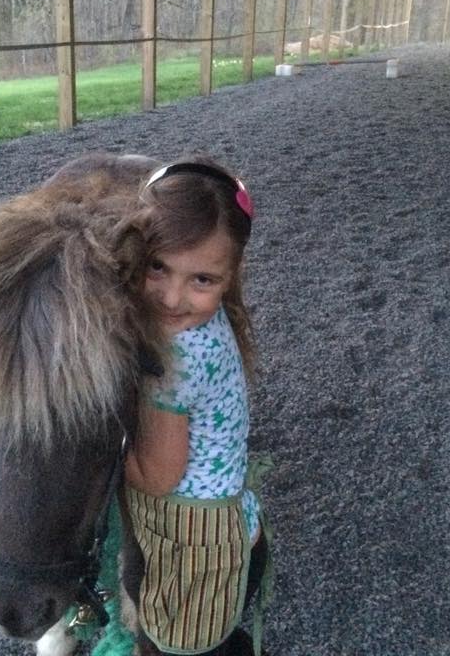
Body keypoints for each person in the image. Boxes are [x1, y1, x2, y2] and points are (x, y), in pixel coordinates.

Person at [124, 158, 270, 656]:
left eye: (201, 280)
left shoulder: (178, 357)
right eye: (157, 267)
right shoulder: (201, 322)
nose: (172, 298)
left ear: (230, 277)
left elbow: (157, 477)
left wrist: (107, 454)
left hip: (198, 554)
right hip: (234, 532)